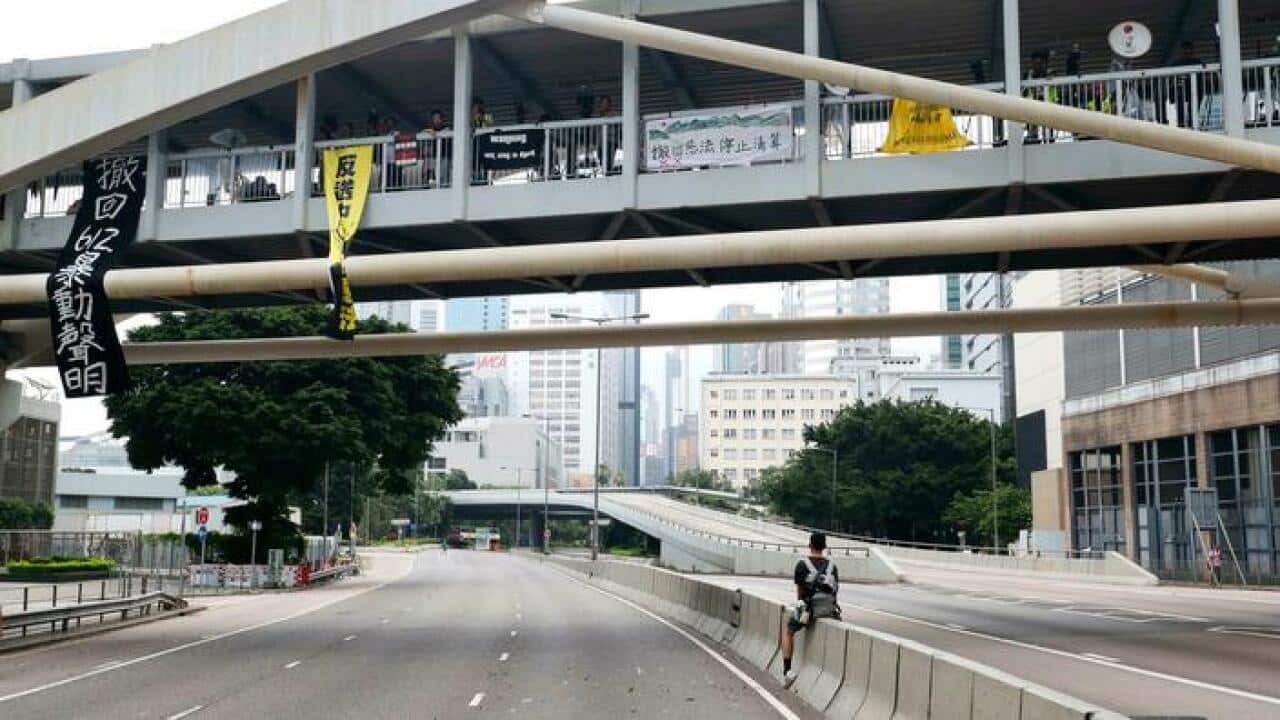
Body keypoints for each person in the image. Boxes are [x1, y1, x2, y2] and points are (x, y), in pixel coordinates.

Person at [781, 532, 840, 688]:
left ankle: (787, 671)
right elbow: (835, 591)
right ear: (825, 547)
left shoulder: (802, 565)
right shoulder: (832, 567)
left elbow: (800, 593)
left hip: (809, 610)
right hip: (827, 610)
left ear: (809, 545)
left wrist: (801, 608)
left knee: (788, 632)